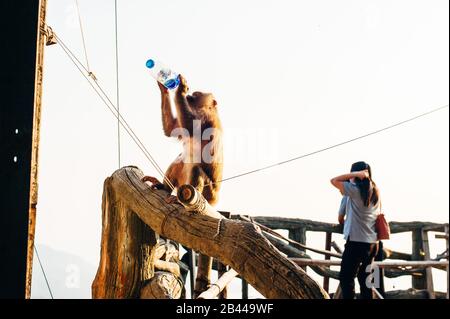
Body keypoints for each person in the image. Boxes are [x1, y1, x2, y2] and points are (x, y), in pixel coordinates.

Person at [330, 161, 380, 299]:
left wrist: (356, 174)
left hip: (356, 242)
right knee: (366, 282)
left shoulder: (353, 190)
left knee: (346, 279)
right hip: (372, 244)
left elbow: (333, 180)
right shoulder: (375, 190)